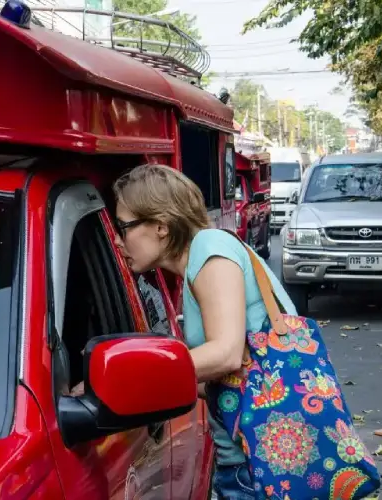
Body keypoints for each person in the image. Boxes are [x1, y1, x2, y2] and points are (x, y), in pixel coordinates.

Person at [111, 164, 297, 500]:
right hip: (250, 462)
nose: (117, 240)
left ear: (160, 225)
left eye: (123, 227)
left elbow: (225, 354)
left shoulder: (209, 250)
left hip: (255, 471)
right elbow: (225, 374)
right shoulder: (197, 266)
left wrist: (126, 376)